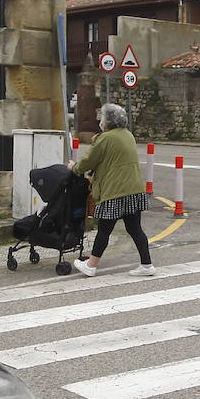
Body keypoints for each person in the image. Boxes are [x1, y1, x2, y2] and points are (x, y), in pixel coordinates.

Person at [67, 102, 154, 277]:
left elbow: (89, 160)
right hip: (134, 189)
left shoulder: (105, 139)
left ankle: (91, 265)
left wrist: (74, 167)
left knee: (104, 229)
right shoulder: (128, 135)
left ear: (108, 122)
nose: (100, 121)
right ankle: (146, 264)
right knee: (135, 228)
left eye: (103, 119)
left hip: (116, 191)